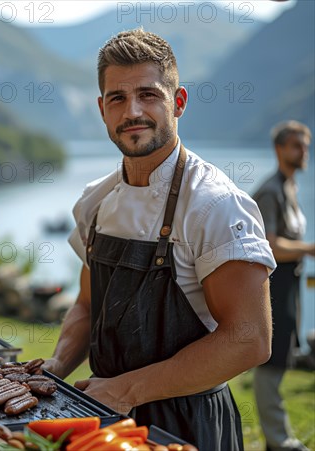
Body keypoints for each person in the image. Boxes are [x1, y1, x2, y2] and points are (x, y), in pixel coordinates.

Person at [42, 28, 276, 450]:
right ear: (102, 109)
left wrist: (126, 391)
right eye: (117, 98)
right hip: (106, 420)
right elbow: (87, 303)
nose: (132, 111)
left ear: (178, 102)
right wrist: (55, 366)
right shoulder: (94, 202)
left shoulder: (216, 206)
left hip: (189, 425)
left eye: (149, 94)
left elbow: (249, 339)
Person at [252, 121, 313, 451]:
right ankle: (278, 440)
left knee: (281, 357)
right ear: (279, 149)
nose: (303, 151)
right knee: (271, 360)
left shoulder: (288, 187)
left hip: (289, 285)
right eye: (296, 145)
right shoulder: (271, 191)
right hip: (272, 287)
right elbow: (269, 246)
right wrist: (310, 248)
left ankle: (278, 438)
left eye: (305, 145)